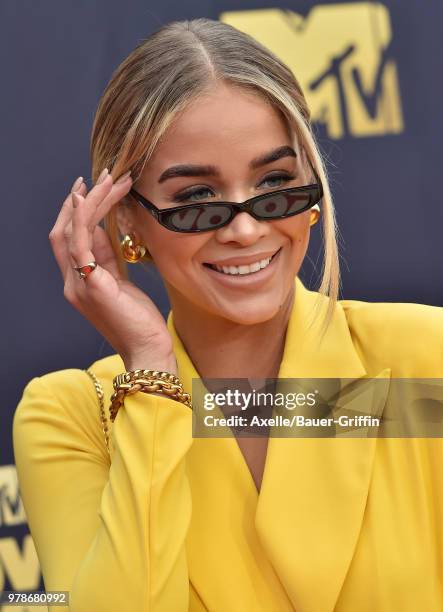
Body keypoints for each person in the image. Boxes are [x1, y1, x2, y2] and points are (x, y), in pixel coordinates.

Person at [12, 17, 443, 612]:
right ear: (128, 220)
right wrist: (150, 372)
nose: (245, 227)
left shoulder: (425, 363)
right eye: (196, 199)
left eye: (275, 183)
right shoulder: (75, 418)